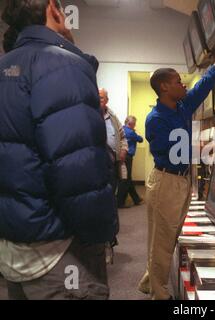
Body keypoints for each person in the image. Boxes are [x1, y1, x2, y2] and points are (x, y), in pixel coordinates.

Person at [0, 0, 117, 299]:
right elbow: (79, 171)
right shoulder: (62, 63)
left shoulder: (6, 66)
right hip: (60, 252)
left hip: (14, 247)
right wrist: (100, 237)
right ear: (52, 8)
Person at [138, 26, 215, 300]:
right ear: (164, 87)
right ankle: (159, 293)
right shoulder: (156, 119)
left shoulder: (182, 107)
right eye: (177, 81)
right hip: (166, 181)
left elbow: (208, 80)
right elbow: (181, 152)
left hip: (180, 180)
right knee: (163, 239)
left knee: (168, 235)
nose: (183, 84)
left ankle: (151, 279)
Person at [99, 88, 128, 194]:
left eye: (101, 97)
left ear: (107, 100)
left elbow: (123, 137)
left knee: (110, 192)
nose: (98, 99)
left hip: (112, 164)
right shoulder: (89, 115)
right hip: (96, 165)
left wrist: (124, 150)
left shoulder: (113, 117)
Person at [117, 116, 144, 208]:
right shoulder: (131, 132)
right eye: (134, 124)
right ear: (131, 124)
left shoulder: (122, 129)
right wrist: (136, 132)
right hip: (128, 157)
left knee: (127, 178)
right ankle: (120, 202)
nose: (135, 125)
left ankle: (136, 199)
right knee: (125, 179)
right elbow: (140, 139)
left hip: (122, 156)